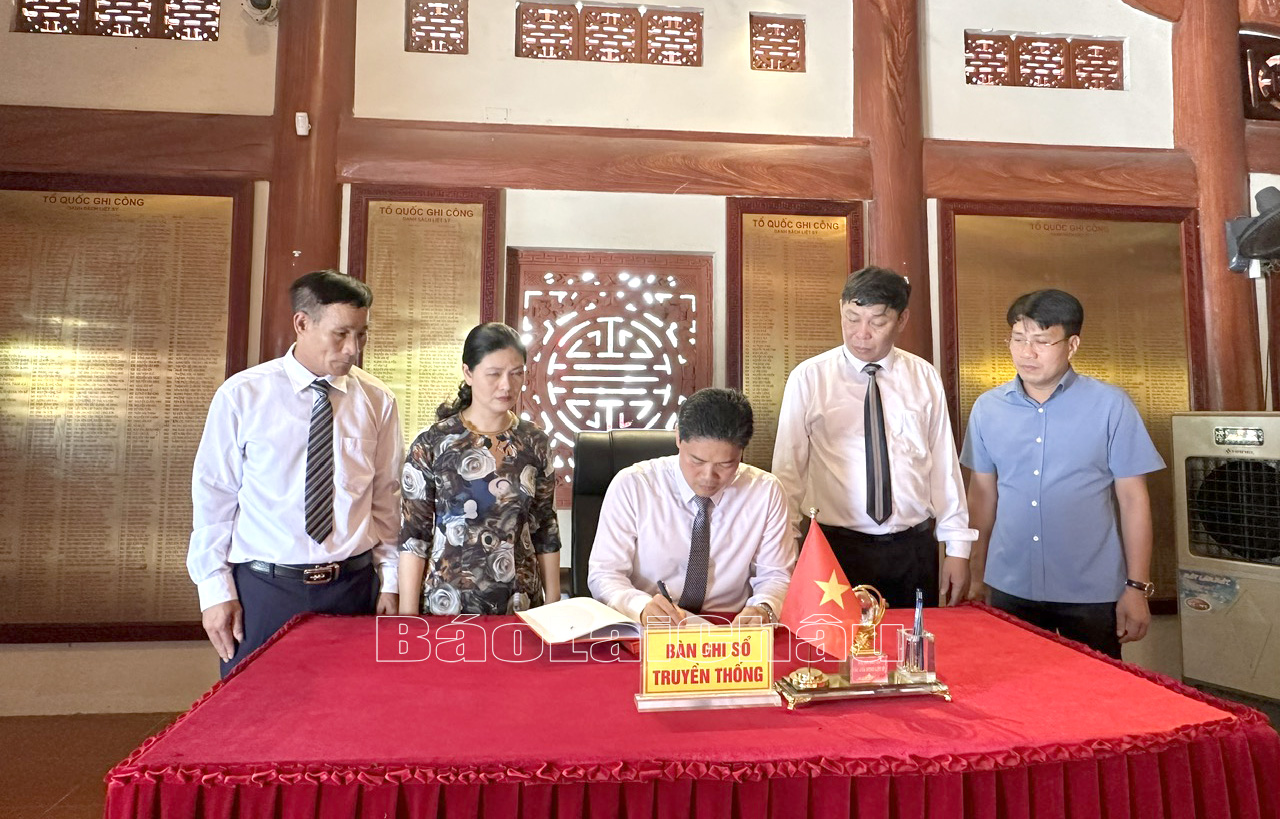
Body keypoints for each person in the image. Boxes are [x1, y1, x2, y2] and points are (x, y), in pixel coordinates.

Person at [188, 270, 403, 674]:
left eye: (361, 334)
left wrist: (391, 580)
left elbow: (386, 498)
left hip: (352, 589)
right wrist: (214, 590)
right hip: (264, 591)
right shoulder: (242, 395)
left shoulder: (378, 401)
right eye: (341, 334)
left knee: (349, 705)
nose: (353, 349)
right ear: (302, 323)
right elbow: (214, 498)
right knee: (256, 705)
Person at [960, 289, 1163, 659]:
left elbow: (1134, 501)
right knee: (1013, 688)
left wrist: (1137, 587)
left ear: (1072, 345)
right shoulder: (988, 408)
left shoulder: (1111, 405)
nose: (1027, 352)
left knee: (1094, 689)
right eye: (1018, 339)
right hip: (1009, 585)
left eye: (1041, 341)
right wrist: (976, 573)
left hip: (1091, 591)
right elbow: (982, 496)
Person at [772, 266, 975, 609]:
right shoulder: (810, 378)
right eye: (852, 318)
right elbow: (788, 473)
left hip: (912, 549)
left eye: (877, 322)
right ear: (841, 309)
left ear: (902, 319)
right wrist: (784, 552)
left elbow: (943, 467)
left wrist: (958, 548)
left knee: (913, 640)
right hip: (833, 549)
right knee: (836, 640)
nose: (861, 334)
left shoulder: (924, 377)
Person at [588, 388, 796, 625]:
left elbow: (776, 575)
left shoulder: (766, 492)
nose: (708, 476)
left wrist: (764, 608)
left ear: (741, 452)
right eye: (697, 461)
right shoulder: (634, 485)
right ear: (678, 437)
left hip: (729, 627)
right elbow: (605, 573)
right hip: (650, 626)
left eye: (725, 464)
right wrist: (640, 607)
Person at [398, 323, 561, 615]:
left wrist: (554, 602)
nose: (506, 385)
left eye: (516, 373)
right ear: (468, 373)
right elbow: (414, 537)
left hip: (521, 603)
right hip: (448, 604)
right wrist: (407, 618)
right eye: (494, 374)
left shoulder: (534, 442)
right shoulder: (432, 444)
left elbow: (545, 527)